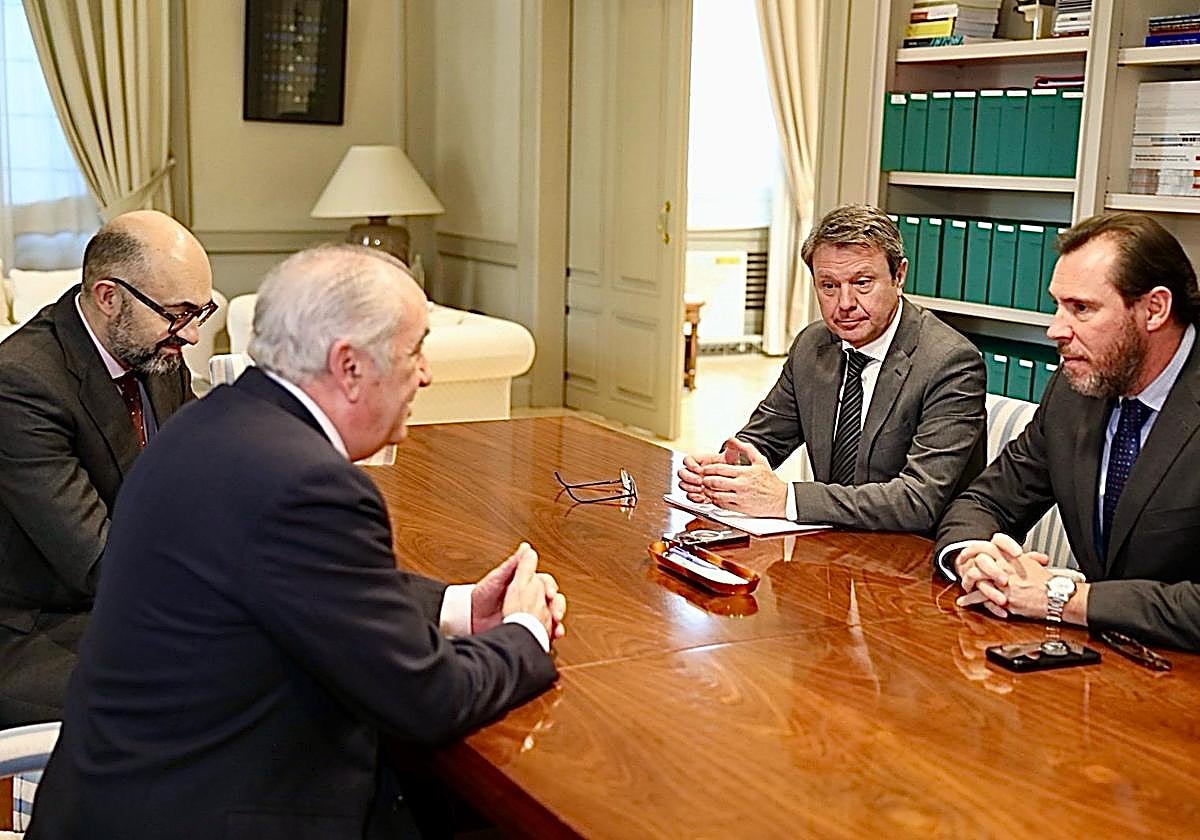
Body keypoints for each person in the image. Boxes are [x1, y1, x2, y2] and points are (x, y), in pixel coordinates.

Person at [28, 245, 566, 839]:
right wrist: (525, 634)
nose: (426, 373)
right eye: (415, 351)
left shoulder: (216, 423)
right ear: (351, 366)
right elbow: (426, 698)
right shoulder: (306, 483)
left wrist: (461, 606)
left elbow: (298, 579)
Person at [937, 212, 1200, 650]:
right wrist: (975, 557)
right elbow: (986, 500)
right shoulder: (1075, 389)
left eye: (1081, 309)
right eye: (1058, 305)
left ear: (1154, 308)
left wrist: (1064, 598)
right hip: (1098, 667)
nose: (1055, 330)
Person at [0, 209, 214, 725]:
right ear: (108, 297)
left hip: (132, 594)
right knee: (219, 690)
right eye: (177, 313)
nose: (189, 336)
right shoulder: (22, 384)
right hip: (40, 626)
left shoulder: (152, 348)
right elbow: (99, 561)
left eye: (199, 314)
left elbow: (193, 481)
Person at [677, 204, 987, 533]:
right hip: (830, 543)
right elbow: (763, 439)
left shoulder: (951, 363)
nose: (845, 303)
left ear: (899, 276)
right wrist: (724, 473)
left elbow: (917, 501)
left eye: (862, 283)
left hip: (914, 553)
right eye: (828, 286)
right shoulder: (814, 345)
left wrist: (786, 500)